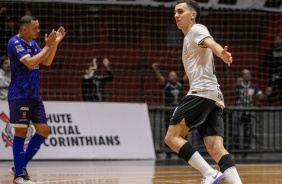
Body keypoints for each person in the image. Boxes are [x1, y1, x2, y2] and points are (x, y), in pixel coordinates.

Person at [164, 1, 242, 184]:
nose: (176, 15)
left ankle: (209, 173)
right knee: (215, 147)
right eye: (174, 12)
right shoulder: (188, 37)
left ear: (193, 14)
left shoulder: (196, 29)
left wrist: (220, 53)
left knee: (172, 138)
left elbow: (210, 42)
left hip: (201, 93)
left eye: (180, 11)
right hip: (214, 96)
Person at [7, 15, 65, 184]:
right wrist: (48, 46)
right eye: (35, 28)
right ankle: (19, 175)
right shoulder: (14, 43)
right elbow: (31, 63)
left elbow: (46, 61)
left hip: (34, 96)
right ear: (24, 28)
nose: (38, 31)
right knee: (21, 133)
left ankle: (18, 167)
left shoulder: (32, 44)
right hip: (20, 95)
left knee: (44, 131)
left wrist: (53, 45)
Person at [232, 69, 271, 158]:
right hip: (239, 112)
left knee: (248, 133)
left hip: (249, 113)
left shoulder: (253, 87)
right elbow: (234, 93)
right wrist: (237, 85)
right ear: (241, 76)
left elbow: (262, 96)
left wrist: (267, 94)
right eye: (245, 74)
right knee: (236, 133)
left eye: (248, 74)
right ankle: (236, 151)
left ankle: (245, 153)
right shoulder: (239, 86)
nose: (247, 76)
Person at [263, 34, 282, 105]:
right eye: (276, 40)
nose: (277, 41)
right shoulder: (270, 51)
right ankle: (270, 104)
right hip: (272, 73)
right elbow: (265, 62)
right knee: (271, 89)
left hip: (281, 73)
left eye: (279, 39)